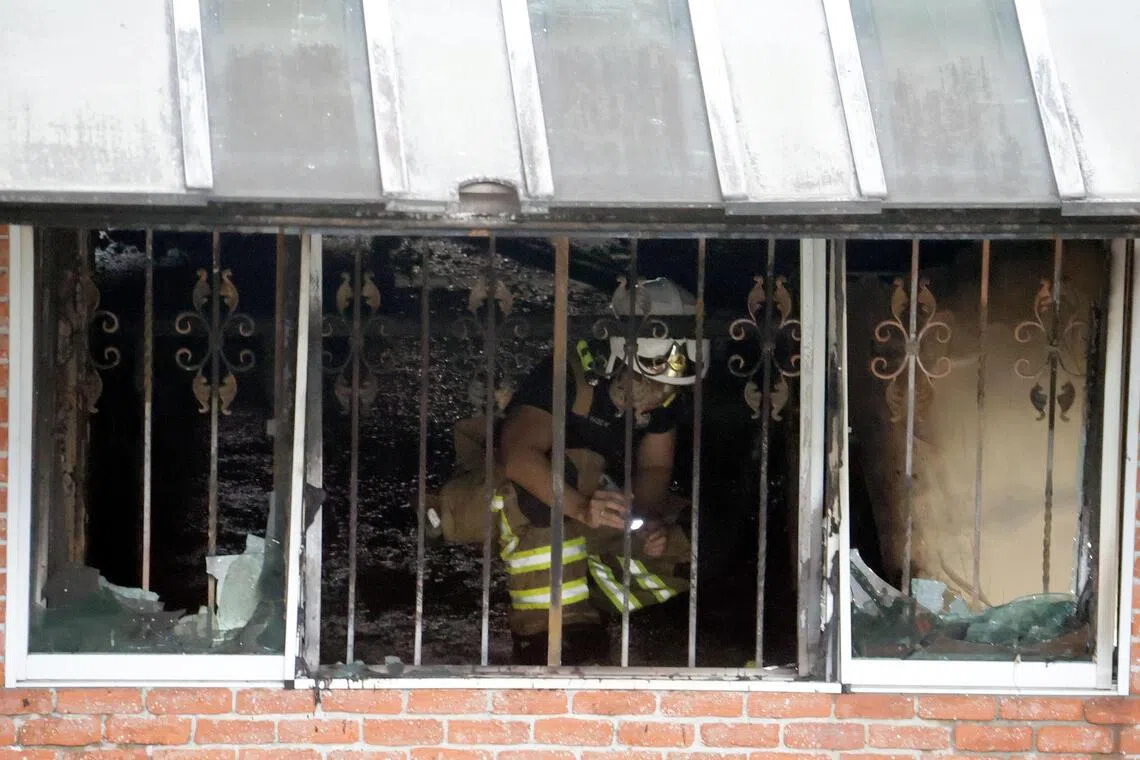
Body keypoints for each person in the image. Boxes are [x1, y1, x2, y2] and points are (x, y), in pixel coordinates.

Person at [495, 277, 707, 665]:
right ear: (620, 359)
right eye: (650, 382)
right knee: (556, 498)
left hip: (593, 511)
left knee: (681, 543)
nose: (659, 397)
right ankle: (546, 642)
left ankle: (593, 621)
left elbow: (656, 466)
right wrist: (580, 508)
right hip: (529, 508)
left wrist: (644, 520)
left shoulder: (665, 396)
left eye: (669, 389)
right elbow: (519, 459)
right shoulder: (569, 375)